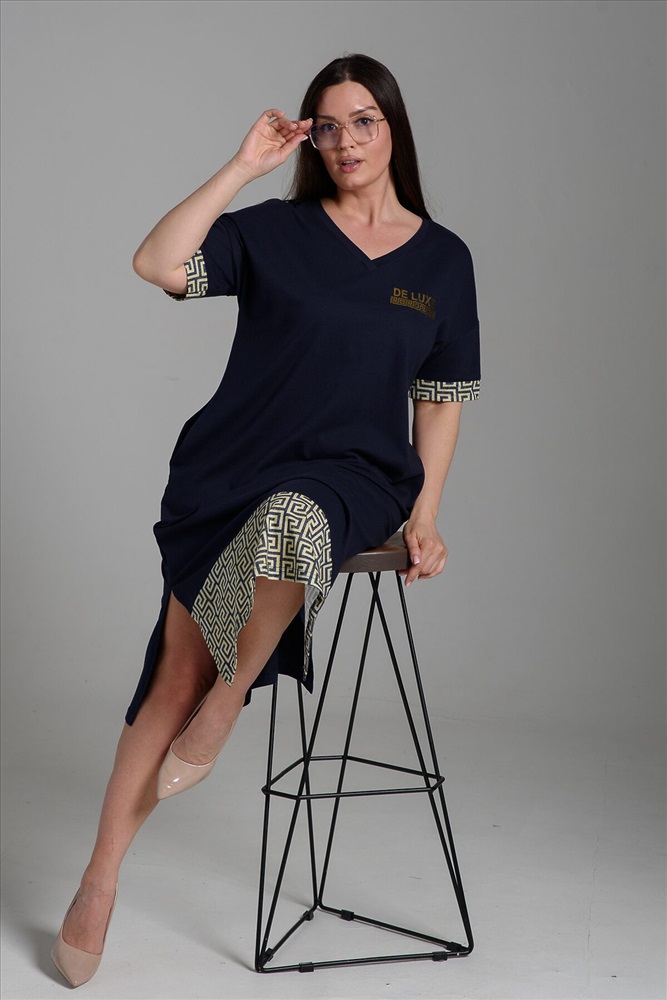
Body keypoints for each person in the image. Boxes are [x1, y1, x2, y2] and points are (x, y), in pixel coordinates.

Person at [51, 53, 480, 988]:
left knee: (294, 521)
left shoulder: (442, 261)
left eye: (363, 121)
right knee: (172, 676)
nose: (346, 141)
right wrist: (243, 167)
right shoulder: (276, 232)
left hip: (357, 477)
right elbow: (156, 263)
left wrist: (426, 515)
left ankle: (229, 702)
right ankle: (99, 880)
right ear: (309, 139)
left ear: (393, 127)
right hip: (234, 467)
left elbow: (440, 399)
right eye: (327, 126)